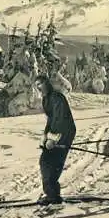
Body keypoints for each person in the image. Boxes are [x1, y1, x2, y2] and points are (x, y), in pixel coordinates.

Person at [34, 74, 76, 205]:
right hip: (55, 134)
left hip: (65, 132)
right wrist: (45, 136)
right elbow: (51, 119)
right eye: (37, 85)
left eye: (41, 84)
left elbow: (60, 119)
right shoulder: (46, 99)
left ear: (47, 83)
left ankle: (52, 195)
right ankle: (51, 193)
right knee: (44, 161)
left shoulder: (57, 98)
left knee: (52, 162)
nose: (40, 87)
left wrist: (53, 139)